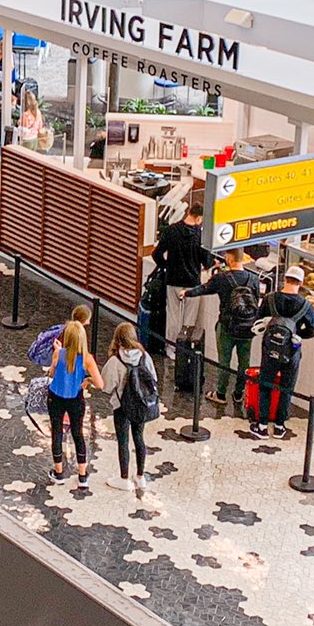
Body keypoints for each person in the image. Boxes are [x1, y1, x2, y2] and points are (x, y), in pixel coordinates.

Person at [186, 247, 262, 414]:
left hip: (227, 327)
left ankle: (220, 394)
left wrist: (187, 293)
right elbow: (257, 301)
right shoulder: (254, 279)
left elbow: (203, 289)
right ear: (244, 259)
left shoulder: (222, 278)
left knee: (224, 361)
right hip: (248, 328)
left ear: (229, 258)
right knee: (244, 361)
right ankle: (238, 394)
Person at [251, 266, 314, 440]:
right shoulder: (305, 305)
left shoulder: (270, 299)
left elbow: (258, 319)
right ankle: (280, 426)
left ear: (284, 279)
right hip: (292, 352)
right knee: (287, 389)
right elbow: (312, 331)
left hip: (270, 350)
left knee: (265, 385)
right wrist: (296, 334)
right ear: (301, 283)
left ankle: (262, 426)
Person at [99, 321, 158, 496]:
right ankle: (140, 476)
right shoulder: (144, 356)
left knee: (123, 441)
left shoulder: (115, 360)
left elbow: (106, 386)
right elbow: (153, 378)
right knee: (139, 437)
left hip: (122, 407)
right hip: (141, 404)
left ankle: (124, 478)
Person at [46, 319, 100, 485]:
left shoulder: (59, 353)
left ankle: (58, 472)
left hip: (56, 396)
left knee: (57, 432)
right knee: (78, 433)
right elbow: (100, 384)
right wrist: (87, 381)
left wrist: (57, 353)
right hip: (76, 398)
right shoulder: (87, 359)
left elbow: (51, 374)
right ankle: (82, 474)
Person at [155, 200, 213, 351]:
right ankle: (184, 349)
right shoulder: (200, 237)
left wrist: (166, 266)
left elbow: (157, 254)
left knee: (173, 317)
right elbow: (207, 261)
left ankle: (170, 348)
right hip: (192, 282)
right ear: (199, 218)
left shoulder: (171, 230)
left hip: (173, 279)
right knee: (189, 320)